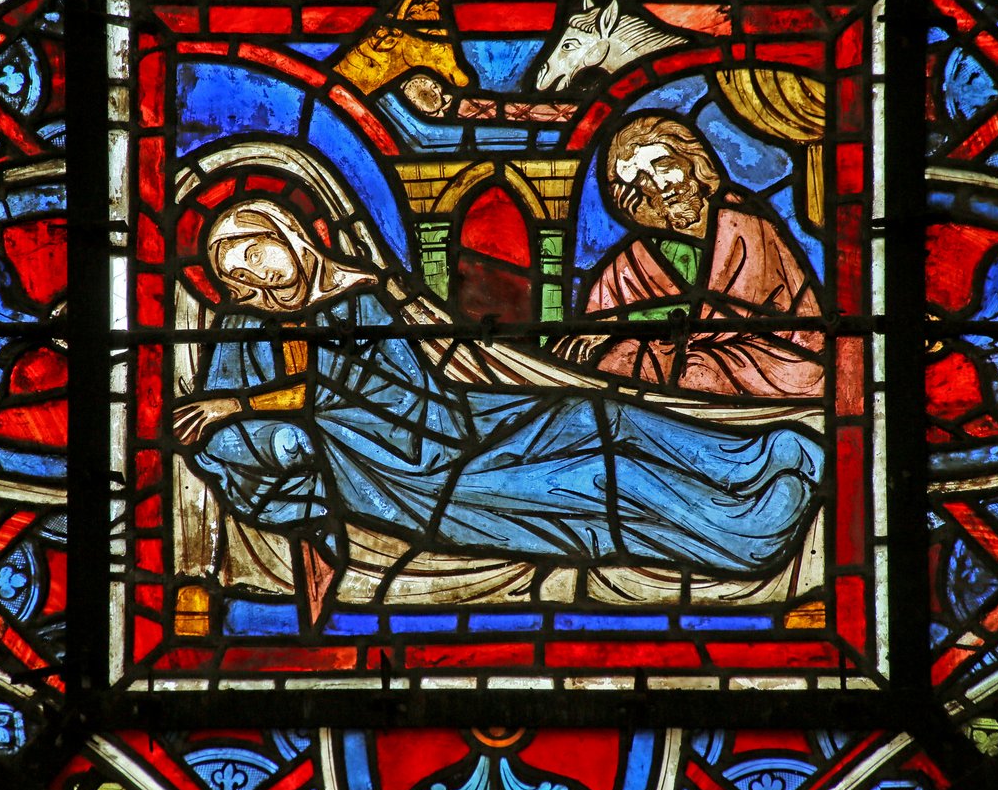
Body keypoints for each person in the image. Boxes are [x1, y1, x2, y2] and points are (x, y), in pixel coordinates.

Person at [173, 196, 825, 621]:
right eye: (239, 277)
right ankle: (749, 527)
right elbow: (225, 434)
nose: (257, 278)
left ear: (287, 233)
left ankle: (762, 458)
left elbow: (394, 391)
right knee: (597, 477)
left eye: (256, 255)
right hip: (417, 480)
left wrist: (245, 404)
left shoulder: (367, 296)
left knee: (597, 416)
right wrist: (261, 421)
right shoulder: (242, 329)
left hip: (456, 421)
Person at [557, 115, 824, 398]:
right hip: (690, 355)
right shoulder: (639, 254)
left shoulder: (744, 222)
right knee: (623, 357)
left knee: (696, 369)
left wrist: (624, 323)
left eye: (664, 166)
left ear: (692, 160)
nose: (659, 185)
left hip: (772, 357)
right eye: (641, 179)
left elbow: (738, 314)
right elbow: (601, 312)